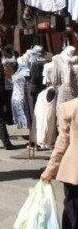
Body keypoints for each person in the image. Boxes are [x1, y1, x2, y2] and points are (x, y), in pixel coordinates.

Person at [41, 98, 78, 229]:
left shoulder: (70, 107)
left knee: (72, 207)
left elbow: (62, 143)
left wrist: (50, 170)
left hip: (74, 171)